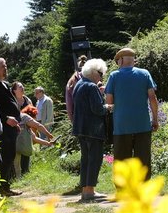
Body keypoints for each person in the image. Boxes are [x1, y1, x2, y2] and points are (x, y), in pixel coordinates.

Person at [105, 47, 159, 179]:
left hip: (121, 125)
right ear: (133, 60)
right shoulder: (145, 74)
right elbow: (152, 98)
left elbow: (109, 100)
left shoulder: (114, 76)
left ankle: (123, 189)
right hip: (142, 123)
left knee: (122, 158)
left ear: (121, 60)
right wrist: (155, 119)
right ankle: (144, 188)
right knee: (143, 158)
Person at [71, 58, 111, 202]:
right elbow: (98, 109)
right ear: (94, 72)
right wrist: (108, 107)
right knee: (95, 159)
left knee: (86, 159)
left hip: (81, 128)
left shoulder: (79, 84)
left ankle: (86, 190)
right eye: (100, 73)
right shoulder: (92, 87)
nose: (101, 77)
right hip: (93, 130)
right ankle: (90, 191)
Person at [0, 57, 22, 196]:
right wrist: (6, 118)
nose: (5, 68)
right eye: (2, 66)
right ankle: (1, 188)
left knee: (10, 155)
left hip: (11, 127)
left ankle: (5, 186)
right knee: (6, 156)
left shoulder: (4, 84)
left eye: (6, 65)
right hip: (4, 127)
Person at [15, 105, 55, 178]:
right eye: (35, 117)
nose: (35, 119)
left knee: (17, 167)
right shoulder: (24, 117)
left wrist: (48, 143)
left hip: (17, 147)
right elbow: (38, 125)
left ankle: (18, 181)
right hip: (16, 146)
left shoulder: (26, 126)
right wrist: (49, 135)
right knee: (17, 166)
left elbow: (35, 138)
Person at [65, 55, 87, 122]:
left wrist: (71, 118)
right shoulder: (92, 78)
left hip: (78, 116)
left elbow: (69, 103)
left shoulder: (71, 81)